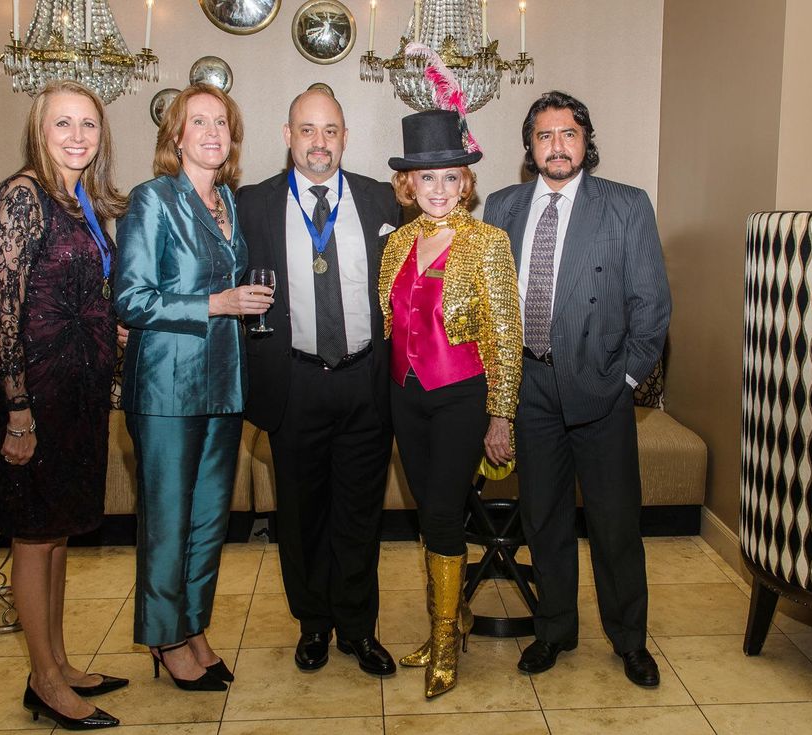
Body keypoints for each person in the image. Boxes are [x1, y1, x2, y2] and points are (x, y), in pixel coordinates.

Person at [482, 90, 671, 687]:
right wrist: (500, 402)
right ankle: (554, 631)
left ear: (586, 143)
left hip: (599, 388)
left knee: (615, 524)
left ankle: (630, 640)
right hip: (529, 385)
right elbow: (491, 308)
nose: (557, 146)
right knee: (544, 519)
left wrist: (626, 381)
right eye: (544, 135)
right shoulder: (502, 207)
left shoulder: (625, 205)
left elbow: (653, 308)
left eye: (568, 134)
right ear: (529, 147)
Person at [236, 89, 400, 676]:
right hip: (294, 382)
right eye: (307, 130)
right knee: (302, 519)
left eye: (330, 130)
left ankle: (357, 629)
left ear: (345, 136)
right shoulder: (251, 204)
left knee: (360, 515)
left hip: (365, 381)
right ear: (287, 135)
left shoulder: (382, 198)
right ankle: (313, 625)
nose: (319, 142)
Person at [115, 83, 272, 692]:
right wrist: (217, 302)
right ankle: (165, 638)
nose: (212, 132)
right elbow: (130, 300)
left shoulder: (228, 202)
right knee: (168, 520)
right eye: (198, 121)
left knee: (210, 521)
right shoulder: (153, 199)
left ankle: (194, 624)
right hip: (166, 390)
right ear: (175, 136)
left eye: (222, 123)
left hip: (224, 384)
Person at [0, 79, 129, 730]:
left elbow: (84, 288)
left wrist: (112, 325)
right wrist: (17, 408)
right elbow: (2, 309)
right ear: (38, 132)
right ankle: (44, 679)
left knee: (60, 533)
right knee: (34, 536)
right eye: (62, 124)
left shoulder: (82, 203)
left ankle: (61, 660)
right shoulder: (21, 196)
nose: (77, 136)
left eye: (88, 125)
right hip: (34, 395)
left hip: (81, 392)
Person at [379, 109, 522, 697]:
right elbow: (392, 324)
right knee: (429, 509)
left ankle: (445, 641)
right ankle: (454, 614)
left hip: (462, 395)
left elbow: (506, 332)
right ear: (407, 185)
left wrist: (501, 412)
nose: (439, 190)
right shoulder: (399, 243)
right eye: (426, 178)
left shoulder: (488, 243)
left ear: (467, 183)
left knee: (440, 512)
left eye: (451, 178)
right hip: (405, 397)